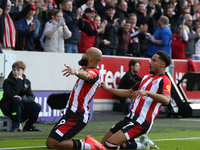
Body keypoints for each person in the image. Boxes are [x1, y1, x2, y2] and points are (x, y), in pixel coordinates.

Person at [100, 50, 172, 149]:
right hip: (130, 117)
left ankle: (141, 145)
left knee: (111, 144)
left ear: (162, 64)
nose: (150, 62)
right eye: (150, 59)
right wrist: (108, 89)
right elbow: (130, 93)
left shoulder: (164, 80)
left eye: (154, 60)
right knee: (103, 144)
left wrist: (148, 93)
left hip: (141, 121)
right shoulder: (145, 77)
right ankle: (142, 142)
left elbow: (166, 99)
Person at [46, 47, 106, 150]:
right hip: (74, 113)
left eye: (86, 53)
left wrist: (76, 72)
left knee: (52, 143)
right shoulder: (90, 70)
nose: (83, 55)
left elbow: (88, 76)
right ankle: (88, 144)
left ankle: (91, 146)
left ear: (91, 59)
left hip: (77, 114)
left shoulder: (93, 72)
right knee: (52, 142)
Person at [0, 61, 41, 132]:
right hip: (7, 107)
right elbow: (11, 95)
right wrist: (18, 81)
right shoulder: (7, 82)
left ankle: (29, 126)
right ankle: (15, 125)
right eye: (14, 70)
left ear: (23, 71)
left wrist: (22, 98)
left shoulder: (27, 82)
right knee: (16, 100)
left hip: (20, 105)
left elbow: (31, 97)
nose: (16, 72)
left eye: (18, 70)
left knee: (37, 106)